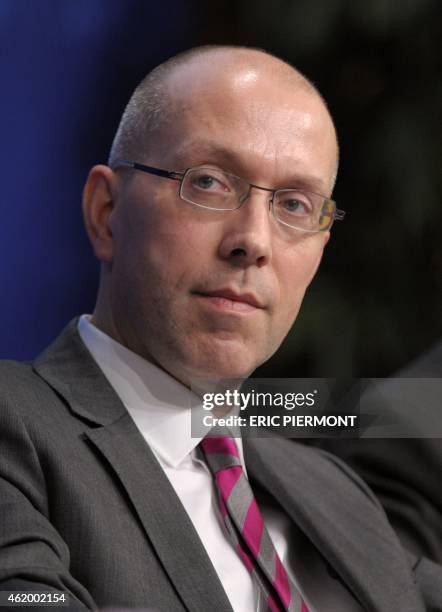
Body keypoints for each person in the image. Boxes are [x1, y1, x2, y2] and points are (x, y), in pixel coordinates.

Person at [0, 45, 437, 612]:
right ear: (106, 212)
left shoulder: (334, 492)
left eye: (295, 205)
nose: (253, 241)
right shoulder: (20, 430)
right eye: (208, 182)